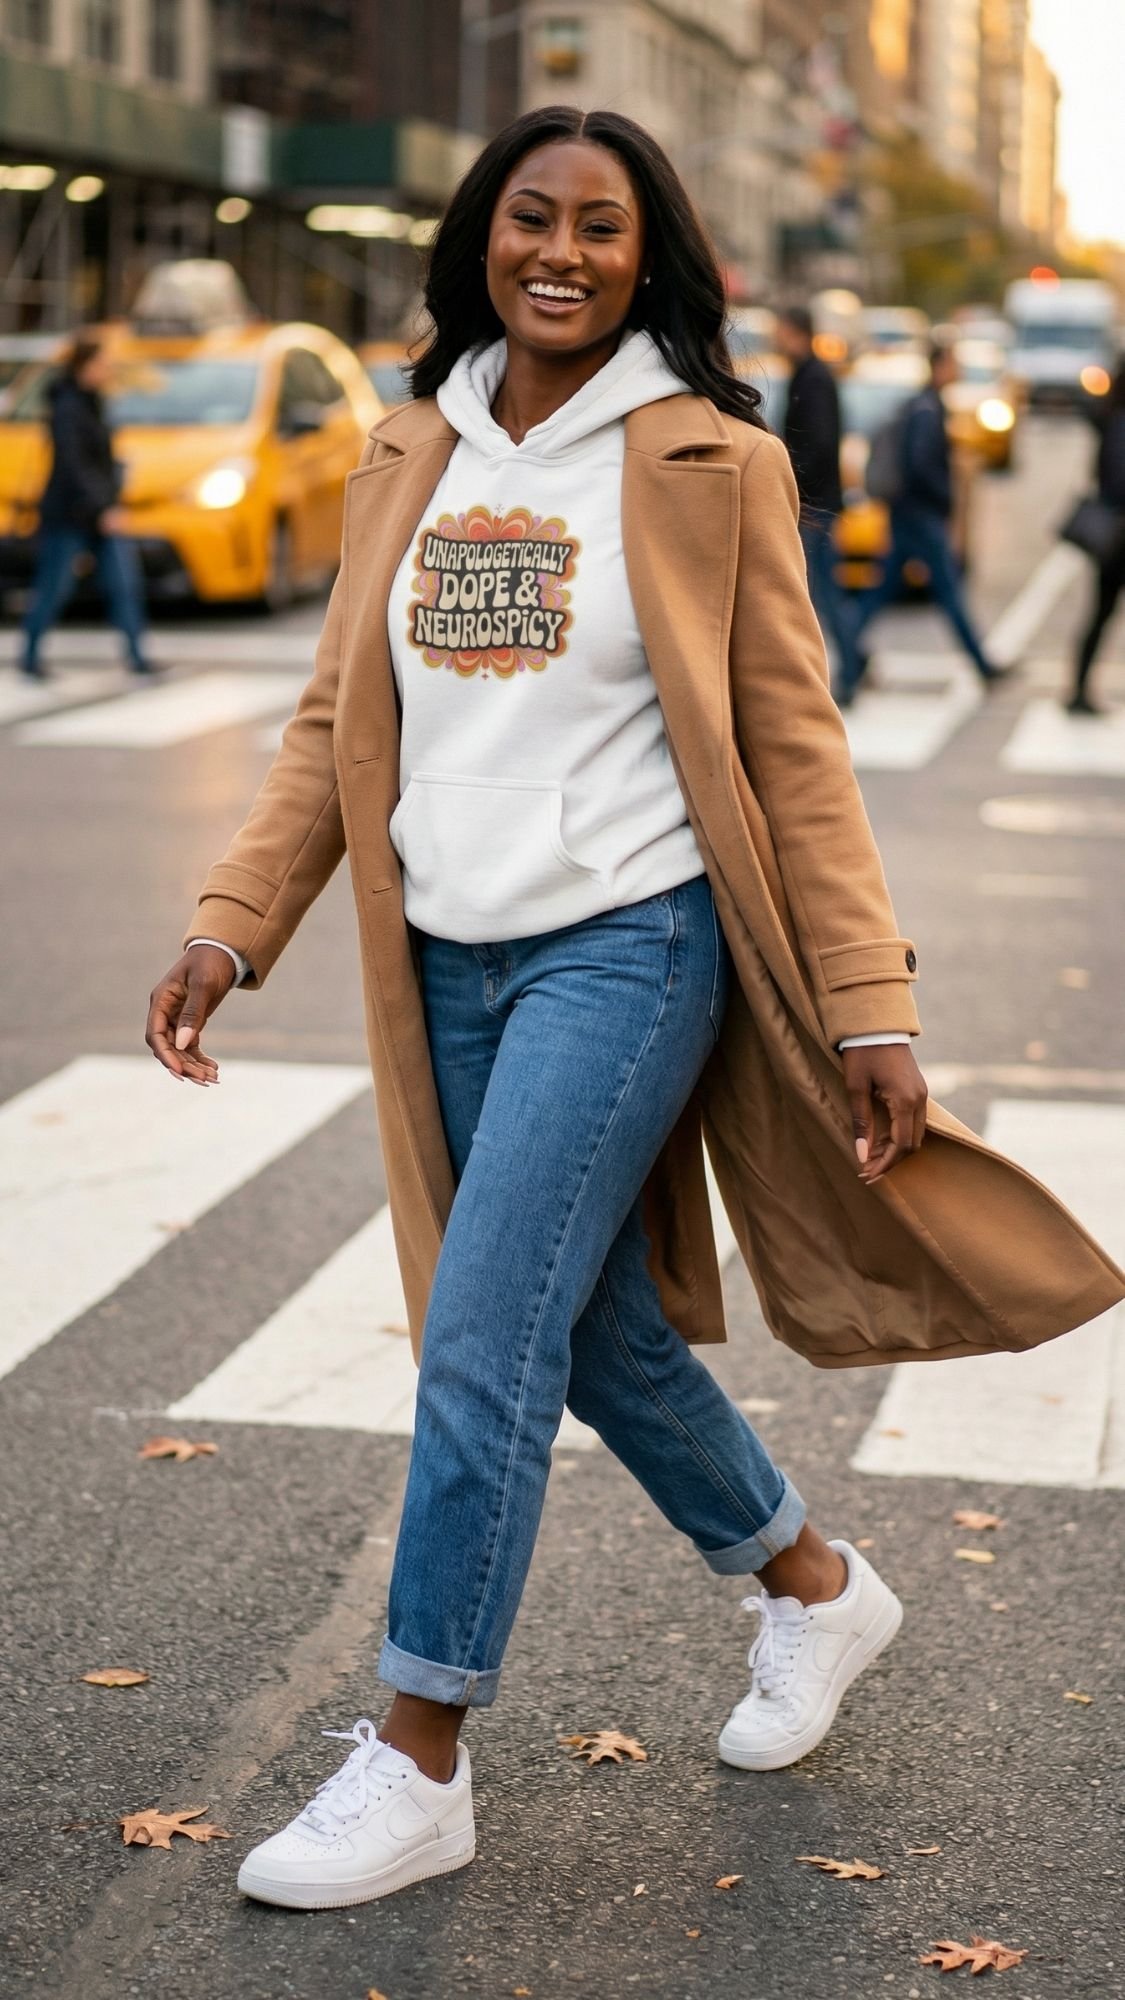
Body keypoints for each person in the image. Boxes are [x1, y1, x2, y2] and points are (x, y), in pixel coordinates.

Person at [144, 107, 1123, 1914]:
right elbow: (330, 721)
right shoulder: (411, 442)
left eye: (602, 226)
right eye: (533, 218)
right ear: (482, 238)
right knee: (580, 1328)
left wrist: (866, 1003)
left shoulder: (704, 461)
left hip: (630, 940)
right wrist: (232, 922)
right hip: (445, 947)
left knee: (480, 1338)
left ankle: (419, 1751)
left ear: (647, 251)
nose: (564, 253)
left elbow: (795, 750)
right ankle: (814, 1586)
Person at [848, 342, 1003, 701]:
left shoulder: (923, 404)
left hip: (908, 513)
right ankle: (982, 664)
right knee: (947, 590)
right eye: (954, 363)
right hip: (919, 514)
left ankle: (848, 646)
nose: (958, 371)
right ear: (940, 366)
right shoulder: (926, 409)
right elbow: (920, 464)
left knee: (881, 591)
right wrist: (944, 499)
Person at [20, 333, 155, 681]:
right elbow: (73, 464)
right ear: (84, 365)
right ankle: (30, 656)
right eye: (102, 363)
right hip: (69, 514)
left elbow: (97, 461)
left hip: (98, 511)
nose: (108, 370)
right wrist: (103, 507)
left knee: (124, 585)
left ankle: (138, 658)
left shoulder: (93, 401)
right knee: (54, 587)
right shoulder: (67, 406)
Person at [775, 303, 865, 698]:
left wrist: (797, 490)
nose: (775, 337)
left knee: (820, 594)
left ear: (794, 330)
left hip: (814, 504)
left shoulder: (813, 378)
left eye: (780, 328)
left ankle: (850, 670)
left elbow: (820, 444)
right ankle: (855, 660)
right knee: (821, 590)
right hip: (815, 501)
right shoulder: (807, 375)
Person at [1067, 357, 1125, 715]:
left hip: (1115, 538)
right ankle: (1077, 689)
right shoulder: (1119, 423)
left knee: (1100, 613)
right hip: (1120, 539)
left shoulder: (1110, 417)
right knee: (1101, 613)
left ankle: (1078, 688)